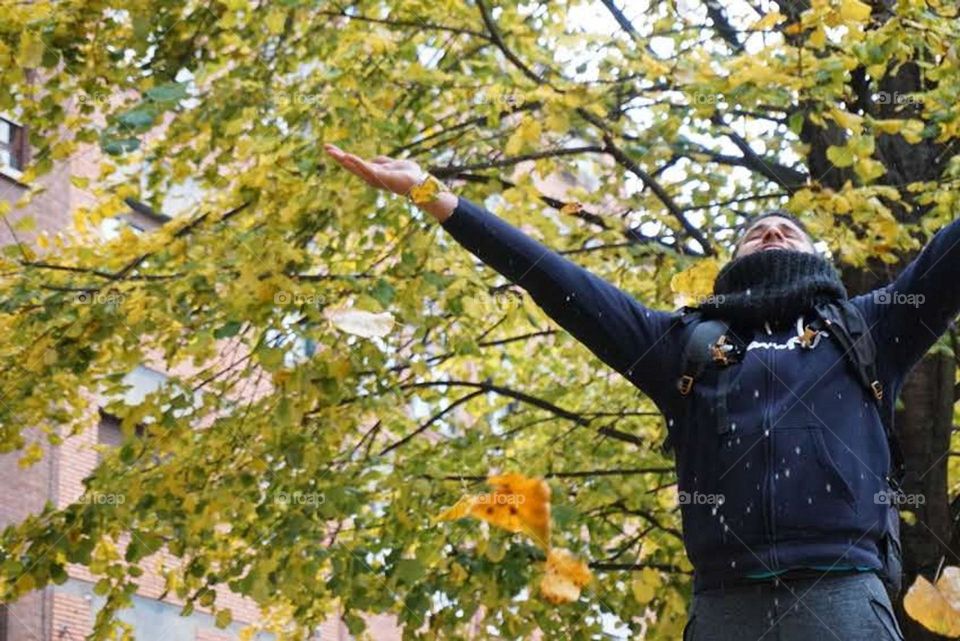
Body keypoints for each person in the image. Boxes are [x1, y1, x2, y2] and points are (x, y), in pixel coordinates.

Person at [324, 144, 960, 640]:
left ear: (814, 254)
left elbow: (948, 254)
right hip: (724, 602)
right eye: (756, 229)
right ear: (733, 257)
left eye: (785, 230)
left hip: (843, 594)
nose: (771, 233)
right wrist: (434, 195)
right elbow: (555, 279)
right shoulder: (681, 346)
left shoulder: (867, 328)